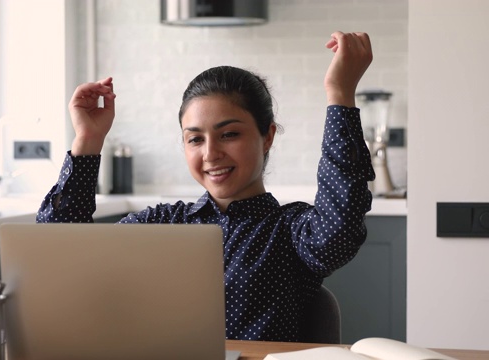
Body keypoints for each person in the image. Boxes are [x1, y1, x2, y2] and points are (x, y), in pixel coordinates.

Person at [36, 31, 375, 342]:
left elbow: (339, 231)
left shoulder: (290, 232)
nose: (211, 153)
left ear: (267, 136)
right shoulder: (161, 226)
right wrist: (88, 140)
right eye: (195, 139)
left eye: (229, 134)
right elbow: (59, 257)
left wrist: (340, 95)